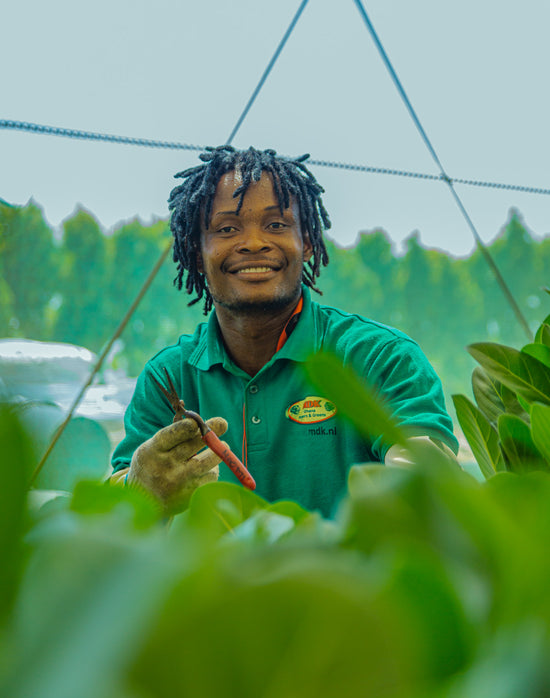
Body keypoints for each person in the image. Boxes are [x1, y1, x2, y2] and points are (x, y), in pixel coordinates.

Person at [110, 145, 458, 517]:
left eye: (276, 225)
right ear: (196, 251)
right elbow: (111, 513)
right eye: (227, 228)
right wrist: (139, 489)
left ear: (306, 241)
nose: (255, 243)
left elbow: (428, 478)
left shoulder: (381, 358)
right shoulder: (168, 377)